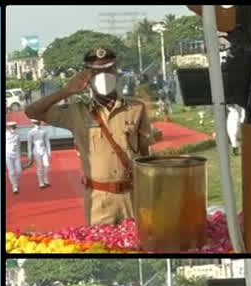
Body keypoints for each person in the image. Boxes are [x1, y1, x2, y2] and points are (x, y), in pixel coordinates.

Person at [26, 47, 159, 225]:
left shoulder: (136, 108)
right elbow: (32, 112)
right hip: (99, 200)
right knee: (100, 248)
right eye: (96, 71)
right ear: (88, 77)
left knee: (137, 248)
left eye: (108, 69)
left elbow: (145, 155)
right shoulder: (76, 112)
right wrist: (66, 91)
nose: (103, 75)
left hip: (133, 196)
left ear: (116, 71)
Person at [27, 119, 52, 188]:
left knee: (47, 166)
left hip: (44, 150)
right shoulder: (30, 132)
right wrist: (30, 153)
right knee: (39, 167)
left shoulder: (44, 131)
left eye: (38, 122)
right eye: (36, 122)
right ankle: (41, 182)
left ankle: (46, 180)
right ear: (33, 123)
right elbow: (29, 144)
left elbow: (47, 141)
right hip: (36, 151)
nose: (38, 123)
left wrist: (49, 151)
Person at [6, 121, 22, 194]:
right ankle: (14, 186)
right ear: (8, 127)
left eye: (14, 127)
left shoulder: (17, 135)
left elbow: (19, 145)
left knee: (19, 171)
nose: (13, 128)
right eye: (12, 127)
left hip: (16, 155)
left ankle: (15, 180)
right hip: (8, 155)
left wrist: (19, 154)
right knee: (12, 172)